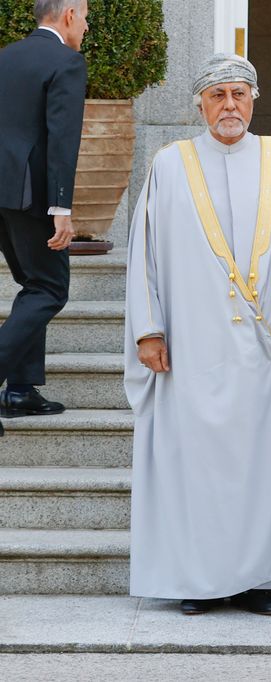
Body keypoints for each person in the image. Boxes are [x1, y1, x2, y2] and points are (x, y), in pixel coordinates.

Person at [124, 54, 271, 616]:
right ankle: (200, 582)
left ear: (255, 100)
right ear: (199, 103)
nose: (229, 105)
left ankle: (259, 581)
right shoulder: (170, 164)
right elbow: (142, 254)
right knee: (198, 466)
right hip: (193, 351)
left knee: (265, 468)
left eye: (239, 94)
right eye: (218, 94)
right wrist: (148, 330)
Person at [0, 0, 89, 435]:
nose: (86, 26)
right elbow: (62, 141)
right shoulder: (66, 62)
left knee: (33, 286)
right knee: (50, 290)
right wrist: (61, 209)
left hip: (2, 194)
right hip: (32, 196)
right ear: (69, 14)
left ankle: (20, 390)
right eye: (86, 16)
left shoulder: (6, 55)